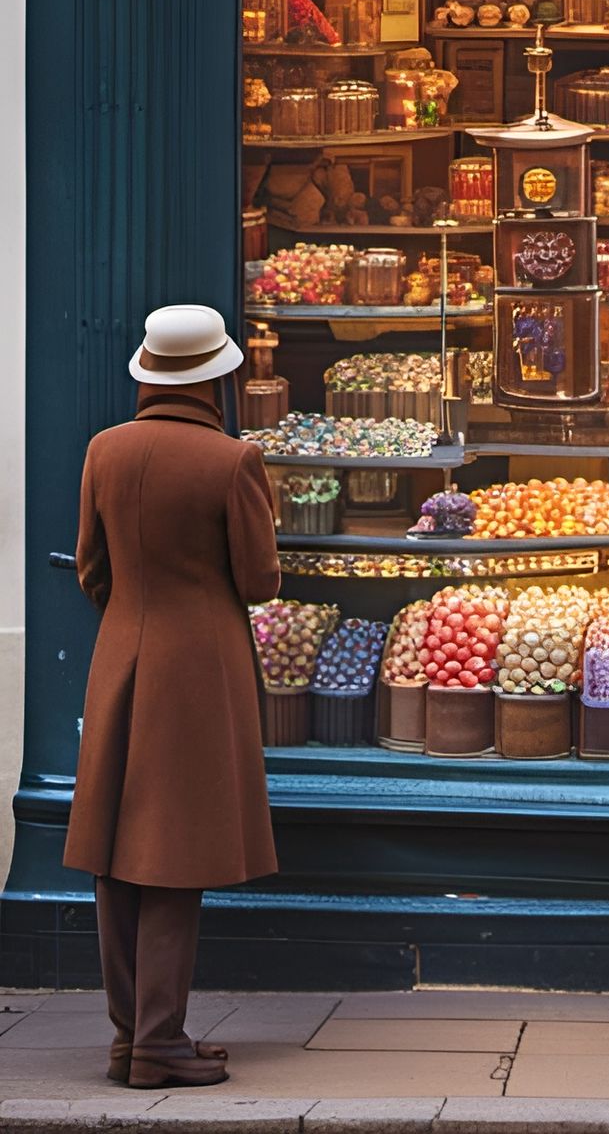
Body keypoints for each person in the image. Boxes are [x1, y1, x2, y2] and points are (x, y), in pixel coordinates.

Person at [65, 305, 281, 1090]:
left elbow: (93, 567)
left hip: (120, 654)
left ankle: (132, 1038)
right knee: (174, 852)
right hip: (198, 668)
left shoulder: (104, 450)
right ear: (217, 375)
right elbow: (259, 579)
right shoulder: (233, 459)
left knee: (117, 854)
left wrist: (133, 615)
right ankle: (160, 1041)